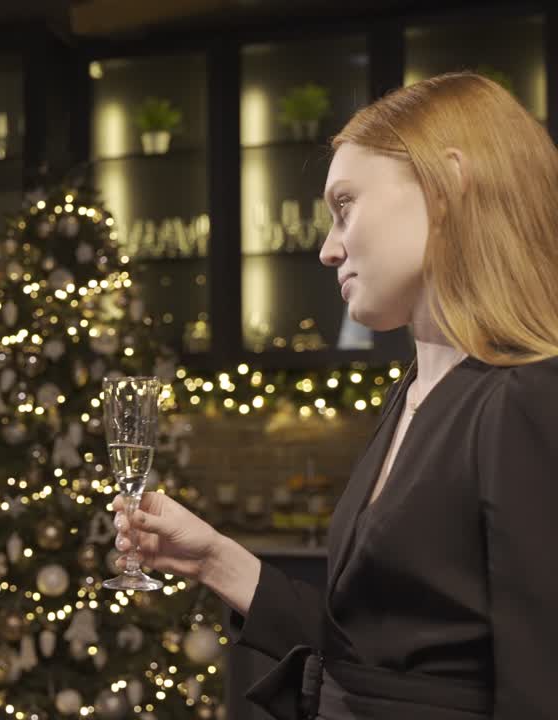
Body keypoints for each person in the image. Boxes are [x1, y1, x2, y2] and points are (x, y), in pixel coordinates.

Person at [113, 72, 558, 720]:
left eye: (344, 206)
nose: (327, 249)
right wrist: (214, 558)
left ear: (447, 186)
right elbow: (368, 659)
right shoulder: (415, 392)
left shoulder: (523, 397)